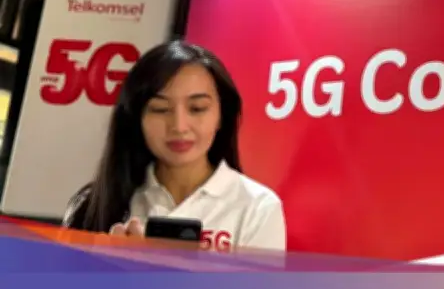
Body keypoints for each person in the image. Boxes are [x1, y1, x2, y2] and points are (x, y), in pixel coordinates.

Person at [62, 40, 286, 252]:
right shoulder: (91, 205)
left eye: (197, 108)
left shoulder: (257, 207)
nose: (179, 126)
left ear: (221, 116)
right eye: (160, 109)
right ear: (136, 118)